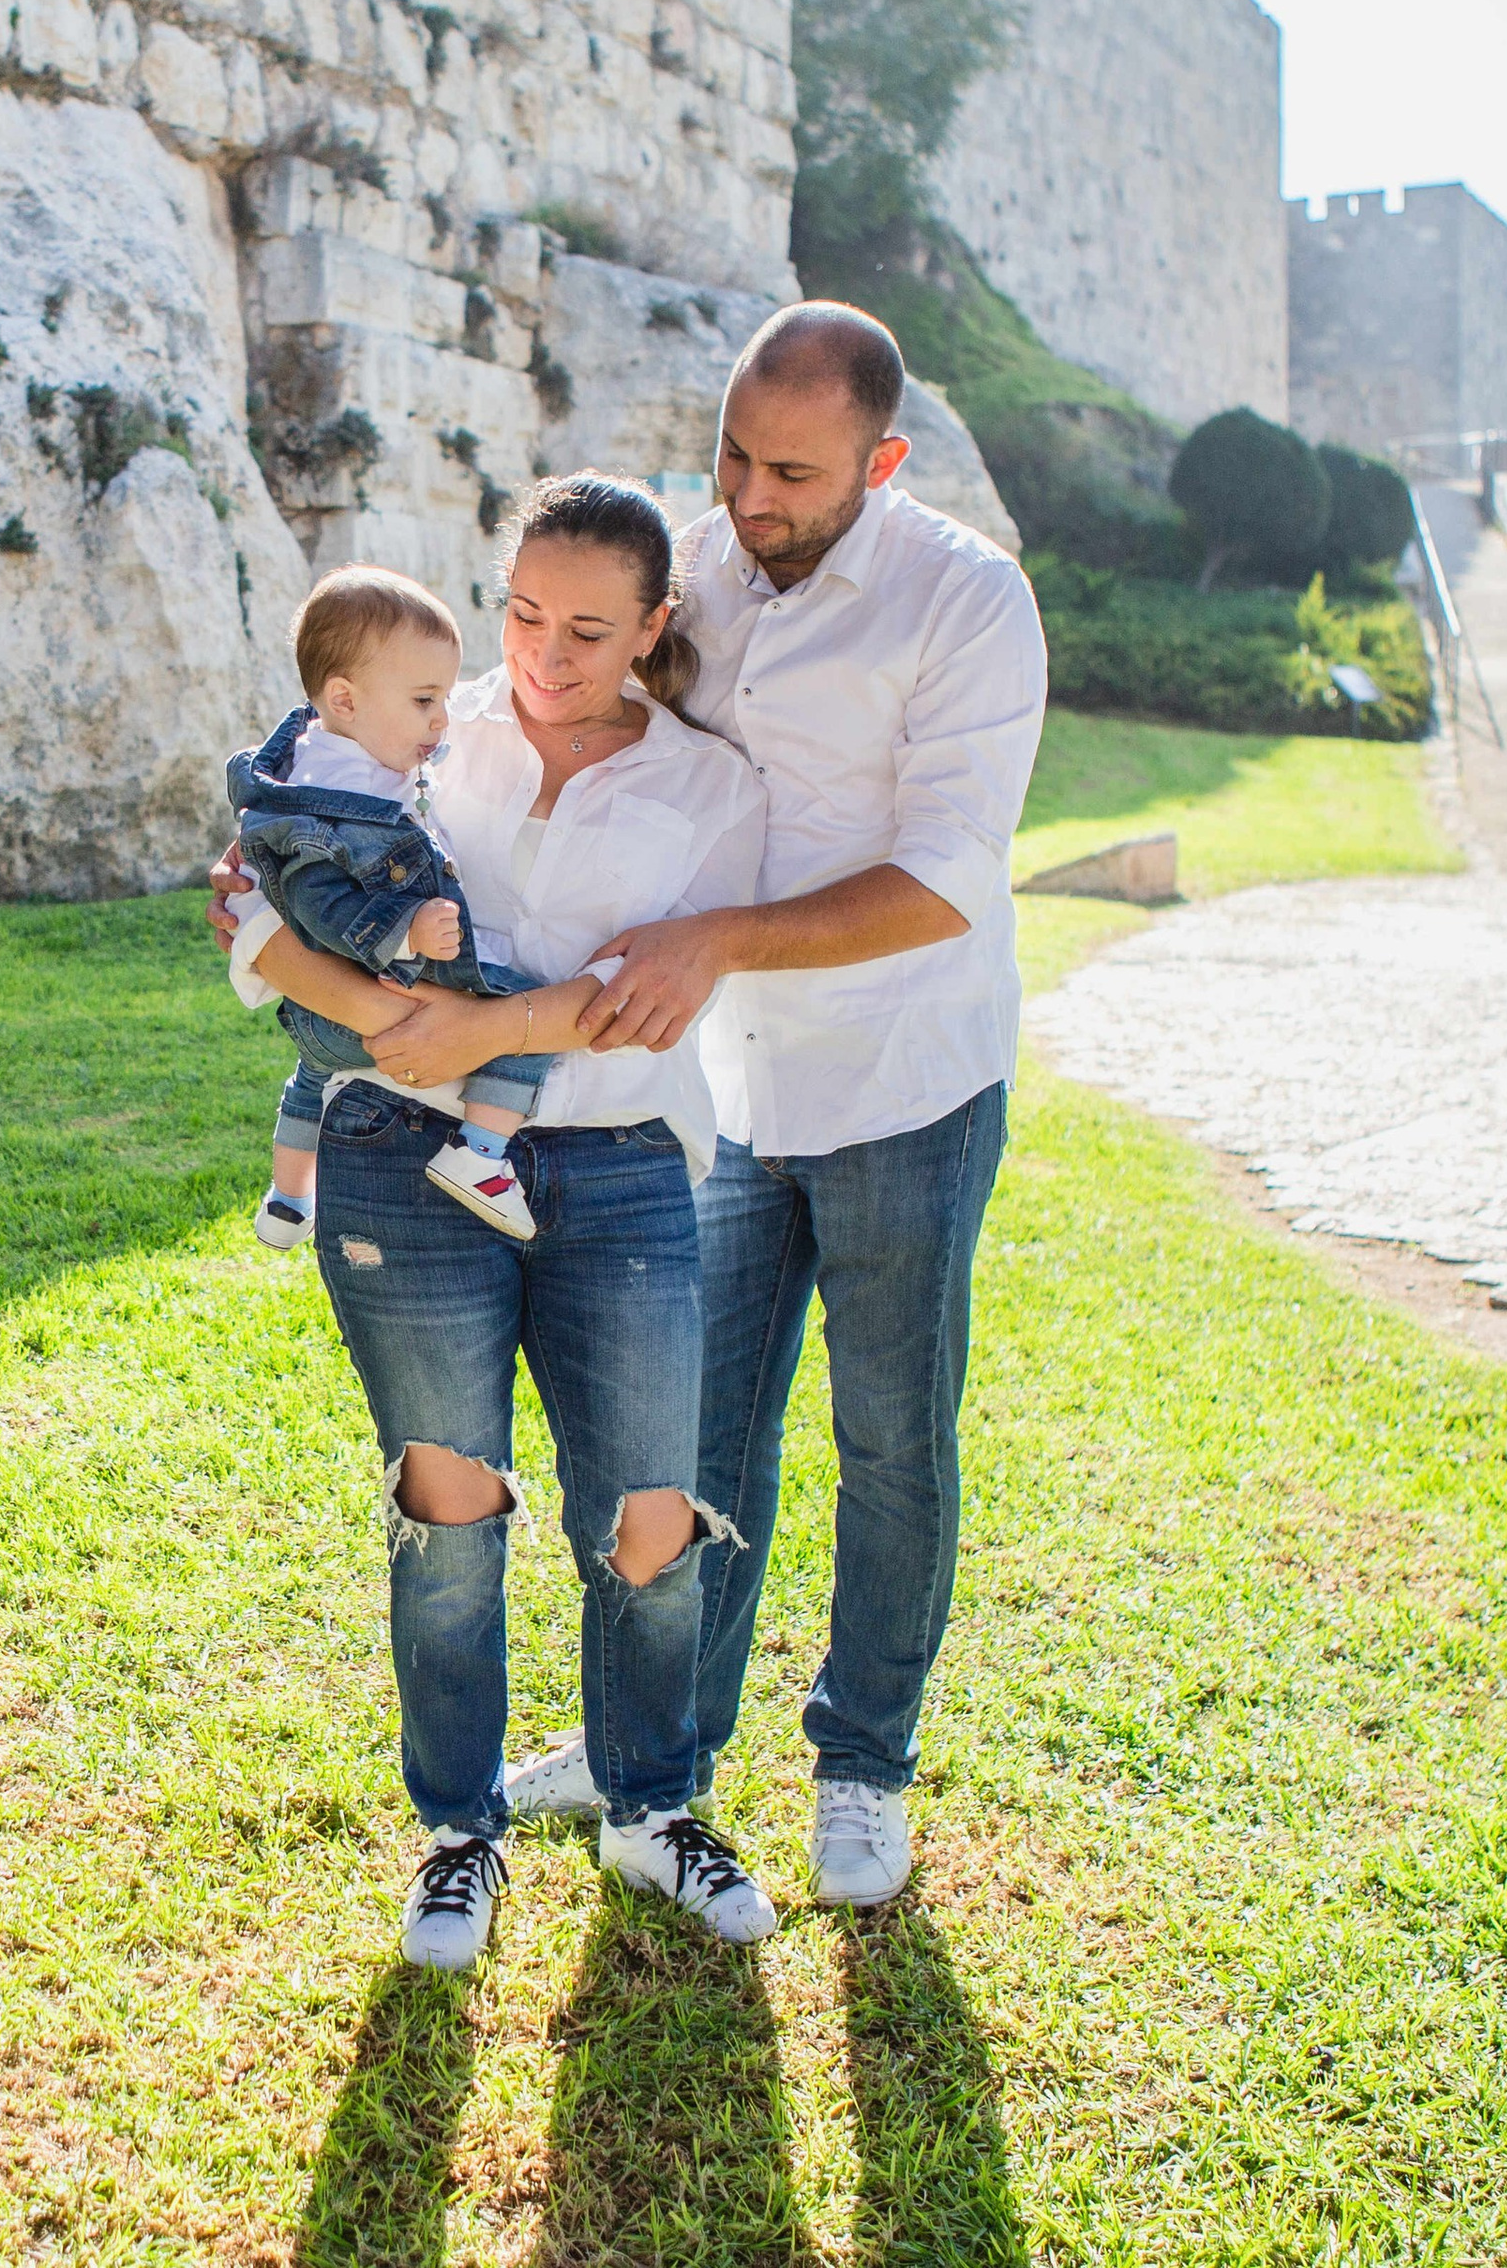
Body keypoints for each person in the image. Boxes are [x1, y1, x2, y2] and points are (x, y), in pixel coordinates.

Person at [485, 304, 1049, 1909]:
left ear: (885, 459)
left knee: (892, 1443)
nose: (747, 496)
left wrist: (720, 937)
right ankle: (646, 1748)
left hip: (907, 1076)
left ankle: (864, 1763)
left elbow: (944, 879)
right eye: (732, 454)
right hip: (727, 1091)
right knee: (685, 1437)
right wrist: (327, 802)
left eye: (792, 473)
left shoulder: (970, 601)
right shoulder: (699, 563)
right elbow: (547, 684)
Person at [219, 475, 775, 1967]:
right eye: (524, 615)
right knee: (448, 1511)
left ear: (654, 626)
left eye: (589, 630)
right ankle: (459, 1831)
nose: (543, 654)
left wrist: (477, 1031)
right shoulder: (409, 727)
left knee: (650, 1514)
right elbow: (258, 917)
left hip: (623, 1168)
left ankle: (651, 1805)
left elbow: (650, 994)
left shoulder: (710, 789)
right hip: (400, 1160)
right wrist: (371, 1010)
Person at [225, 566, 562, 1248]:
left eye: (444, 698)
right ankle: (480, 1154)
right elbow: (317, 900)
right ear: (344, 699)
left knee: (311, 1080)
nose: (442, 719)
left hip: (320, 1012)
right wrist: (404, 934)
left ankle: (288, 1200)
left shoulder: (330, 762)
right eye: (423, 700)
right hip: (373, 988)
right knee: (527, 1017)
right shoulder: (340, 797)